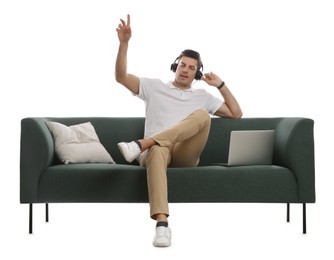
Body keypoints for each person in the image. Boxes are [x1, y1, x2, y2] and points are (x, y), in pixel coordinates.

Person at [115, 14, 243, 247]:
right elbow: (121, 78)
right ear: (175, 66)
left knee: (203, 116)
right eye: (182, 65)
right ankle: (162, 227)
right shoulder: (153, 87)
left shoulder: (203, 96)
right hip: (156, 154)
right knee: (157, 150)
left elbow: (236, 113)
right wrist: (124, 44)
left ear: (197, 74)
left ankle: (143, 143)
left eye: (191, 68)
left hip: (184, 153)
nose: (185, 70)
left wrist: (220, 85)